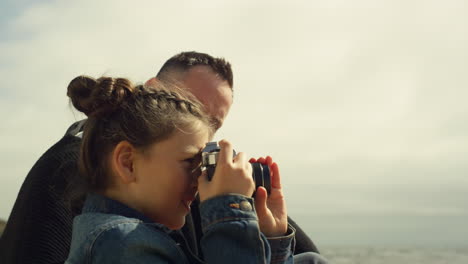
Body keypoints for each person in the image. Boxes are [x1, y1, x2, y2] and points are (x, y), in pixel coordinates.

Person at [0, 51, 321, 264]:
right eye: (187, 103)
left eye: (213, 126)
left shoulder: (161, 201)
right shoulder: (117, 235)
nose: (202, 168)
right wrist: (230, 210)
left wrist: (272, 239)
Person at [64, 75, 296, 263]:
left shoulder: (130, 237)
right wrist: (230, 208)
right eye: (189, 162)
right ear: (128, 163)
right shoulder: (121, 243)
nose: (199, 180)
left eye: (203, 164)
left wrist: (268, 238)